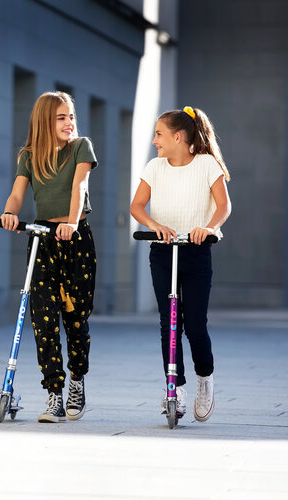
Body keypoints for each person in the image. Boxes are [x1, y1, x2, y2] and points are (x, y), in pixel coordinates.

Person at [1, 91, 98, 423]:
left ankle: (76, 381)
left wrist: (71, 222)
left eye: (71, 116)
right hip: (43, 239)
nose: (69, 122)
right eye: (61, 117)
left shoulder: (81, 147)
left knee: (75, 318)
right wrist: (9, 214)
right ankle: (54, 394)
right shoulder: (29, 155)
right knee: (43, 320)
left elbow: (79, 187)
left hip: (76, 238)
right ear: (45, 121)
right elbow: (16, 194)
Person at [130, 106, 231, 422]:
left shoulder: (206, 165)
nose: (154, 141)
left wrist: (209, 227)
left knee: (195, 325)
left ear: (178, 136)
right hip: (162, 251)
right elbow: (136, 206)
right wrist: (153, 224)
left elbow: (224, 205)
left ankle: (205, 378)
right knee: (169, 322)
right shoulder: (155, 167)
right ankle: (175, 386)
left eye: (159, 134)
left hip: (196, 250)